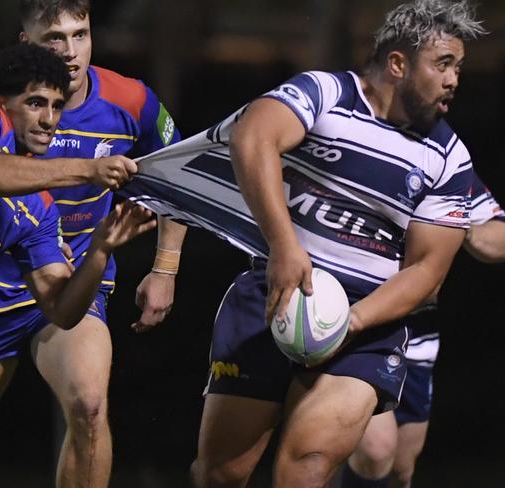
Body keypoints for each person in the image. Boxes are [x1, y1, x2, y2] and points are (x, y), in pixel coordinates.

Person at [152, 1, 487, 486]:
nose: (454, 78)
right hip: (271, 295)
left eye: (458, 66)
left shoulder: (449, 157)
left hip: (368, 326)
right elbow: (253, 138)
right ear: (398, 64)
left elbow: (425, 273)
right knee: (219, 474)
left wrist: (346, 323)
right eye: (443, 64)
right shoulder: (326, 93)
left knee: (305, 467)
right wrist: (284, 247)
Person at [0, 1, 185, 487]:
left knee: (89, 407)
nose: (70, 52)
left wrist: (166, 268)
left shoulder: (131, 101)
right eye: (55, 38)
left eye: (81, 34)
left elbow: (175, 175)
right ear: (25, 43)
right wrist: (90, 169)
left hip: (75, 278)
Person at [342, 173, 505, 488]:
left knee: (401, 468)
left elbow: (500, 235)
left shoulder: (445, 163)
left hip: (418, 334)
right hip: (361, 327)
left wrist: (456, 221)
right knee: (376, 451)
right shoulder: (359, 149)